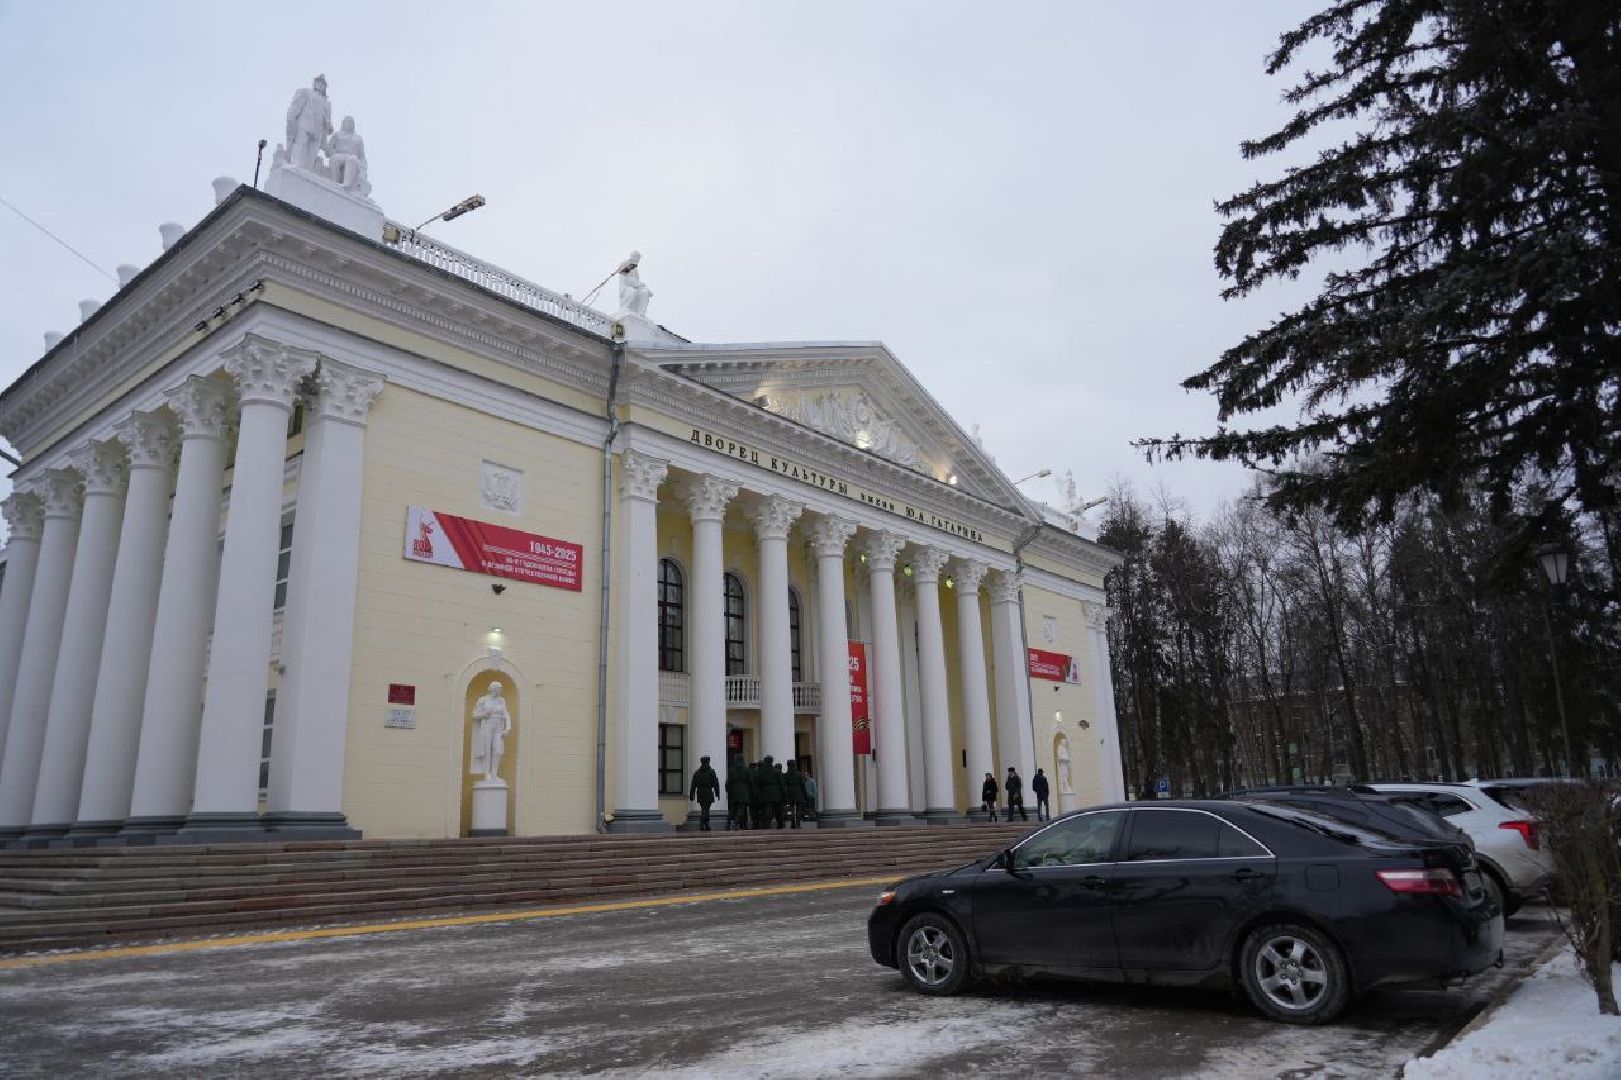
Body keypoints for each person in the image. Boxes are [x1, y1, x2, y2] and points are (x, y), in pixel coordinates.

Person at [688, 755, 720, 832]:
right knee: (706, 809)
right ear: (708, 762)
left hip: (700, 793)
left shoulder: (697, 772)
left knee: (704, 808)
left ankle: (705, 824)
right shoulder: (711, 772)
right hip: (708, 792)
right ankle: (704, 823)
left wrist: (692, 795)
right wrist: (717, 793)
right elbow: (715, 783)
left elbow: (693, 785)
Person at [725, 755, 752, 831]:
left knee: (733, 809)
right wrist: (750, 791)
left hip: (734, 792)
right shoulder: (746, 769)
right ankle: (736, 822)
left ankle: (728, 824)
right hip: (743, 791)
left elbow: (728, 782)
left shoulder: (731, 770)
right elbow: (750, 781)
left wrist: (729, 791)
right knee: (742, 808)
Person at [759, 755, 786, 829]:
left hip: (766, 792)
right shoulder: (776, 771)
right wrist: (783, 793)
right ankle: (779, 825)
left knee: (767, 810)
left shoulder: (762, 772)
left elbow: (760, 783)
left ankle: (767, 825)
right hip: (776, 793)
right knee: (778, 810)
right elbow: (781, 783)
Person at [784, 759, 807, 828]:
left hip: (790, 793)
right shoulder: (799, 774)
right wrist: (805, 794)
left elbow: (784, 785)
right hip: (798, 792)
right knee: (798, 810)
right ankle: (798, 824)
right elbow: (802, 785)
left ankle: (792, 823)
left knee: (791, 810)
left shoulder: (786, 775)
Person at [750, 759, 771, 830]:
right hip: (764, 794)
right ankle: (764, 824)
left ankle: (755, 825)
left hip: (755, 795)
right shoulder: (765, 774)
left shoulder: (754, 773)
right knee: (764, 810)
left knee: (755, 811)